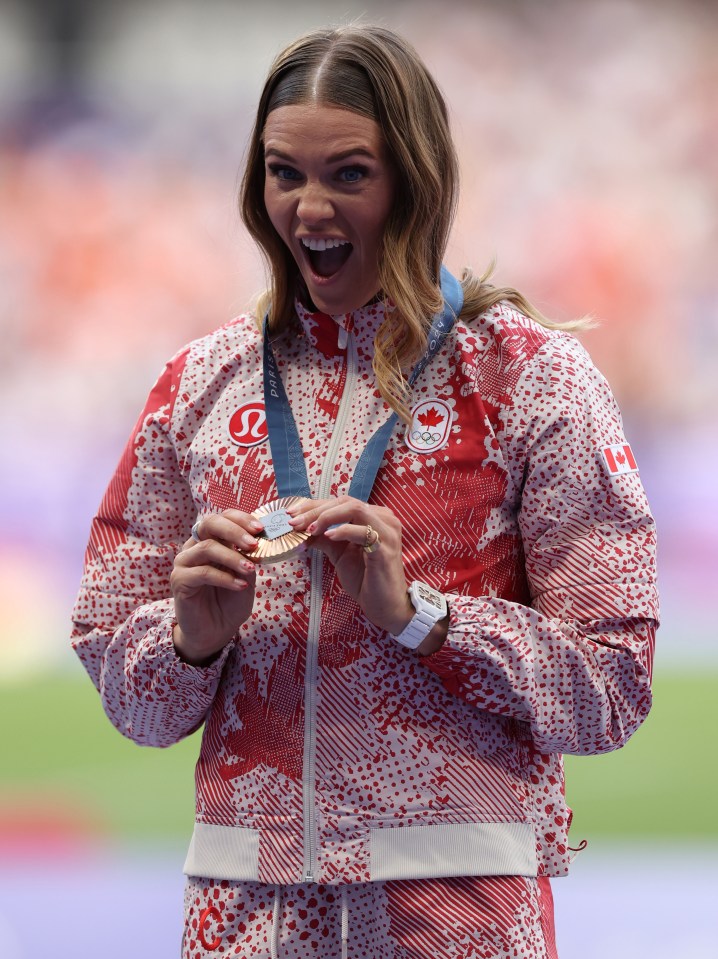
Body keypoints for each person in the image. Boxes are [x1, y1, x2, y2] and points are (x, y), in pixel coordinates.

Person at [71, 22, 658, 959]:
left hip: (457, 906)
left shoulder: (528, 378)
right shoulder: (198, 384)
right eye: (282, 172)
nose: (308, 207)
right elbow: (130, 698)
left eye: (349, 173)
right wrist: (190, 640)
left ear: (415, 182)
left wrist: (422, 617)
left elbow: (613, 688)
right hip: (242, 910)